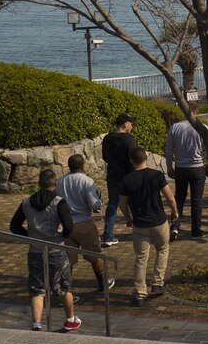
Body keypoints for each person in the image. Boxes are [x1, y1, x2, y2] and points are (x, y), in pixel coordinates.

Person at [9, 169, 81, 332]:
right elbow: (69, 226)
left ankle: (37, 324)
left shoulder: (26, 202)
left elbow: (14, 226)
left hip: (35, 250)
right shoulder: (59, 202)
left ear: (39, 184)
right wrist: (62, 235)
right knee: (63, 286)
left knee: (37, 289)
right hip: (56, 251)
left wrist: (29, 235)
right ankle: (70, 320)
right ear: (55, 184)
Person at [119, 147, 178, 307]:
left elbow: (122, 204)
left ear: (132, 161)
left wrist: (128, 218)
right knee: (163, 249)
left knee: (140, 258)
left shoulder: (127, 179)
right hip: (159, 221)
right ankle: (157, 283)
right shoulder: (156, 175)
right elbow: (170, 198)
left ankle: (139, 293)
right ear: (146, 158)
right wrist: (175, 211)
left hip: (139, 224)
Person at [56, 154, 114, 293]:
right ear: (82, 165)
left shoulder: (61, 181)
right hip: (84, 223)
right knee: (94, 255)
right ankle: (103, 282)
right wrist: (100, 202)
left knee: (68, 260)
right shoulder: (87, 181)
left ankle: (66, 289)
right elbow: (94, 204)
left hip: (66, 224)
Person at [164, 117, 208, 240]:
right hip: (197, 167)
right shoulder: (202, 127)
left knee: (179, 198)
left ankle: (175, 226)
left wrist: (169, 167)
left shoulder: (175, 127)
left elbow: (168, 149)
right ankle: (196, 230)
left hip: (181, 168)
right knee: (196, 200)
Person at [100, 113, 138, 247]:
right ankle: (140, 232)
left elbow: (105, 156)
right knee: (134, 204)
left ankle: (108, 236)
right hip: (128, 176)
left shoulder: (107, 139)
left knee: (112, 205)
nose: (132, 125)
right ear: (125, 124)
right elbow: (133, 160)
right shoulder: (129, 140)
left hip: (113, 175)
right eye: (131, 122)